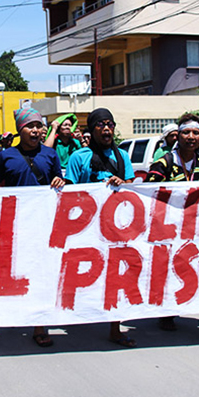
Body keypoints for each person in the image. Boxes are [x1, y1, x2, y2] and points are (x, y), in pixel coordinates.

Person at [145, 114, 199, 343]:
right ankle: (167, 313)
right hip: (171, 230)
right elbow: (150, 193)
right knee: (172, 271)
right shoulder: (164, 162)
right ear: (178, 136)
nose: (191, 137)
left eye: (195, 133)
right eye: (186, 132)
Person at [0, 108, 65, 348]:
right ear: (20, 130)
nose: (35, 130)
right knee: (16, 271)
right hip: (15, 224)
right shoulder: (5, 156)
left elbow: (61, 184)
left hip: (44, 224)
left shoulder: (51, 155)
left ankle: (39, 325)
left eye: (39, 126)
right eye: (30, 126)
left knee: (41, 273)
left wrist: (59, 181)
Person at [64, 108, 137, 348]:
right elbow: (71, 192)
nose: (106, 129)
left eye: (110, 124)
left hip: (115, 226)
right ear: (92, 129)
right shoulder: (79, 158)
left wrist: (122, 183)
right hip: (86, 227)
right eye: (101, 125)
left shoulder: (122, 156)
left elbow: (131, 187)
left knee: (115, 274)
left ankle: (115, 327)